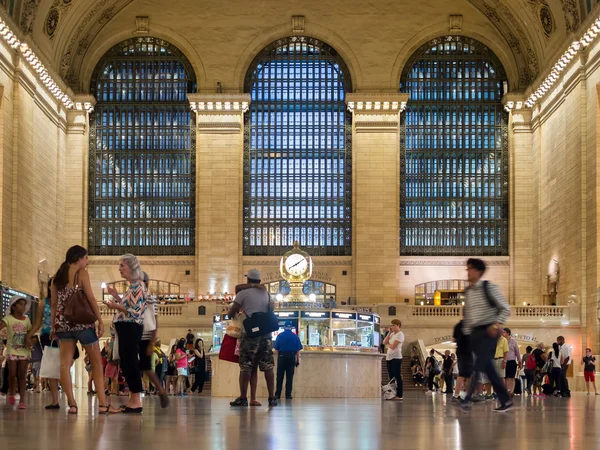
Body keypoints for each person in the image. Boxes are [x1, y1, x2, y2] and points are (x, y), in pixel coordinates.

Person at [51, 245, 115, 414]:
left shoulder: (56, 278)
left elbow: (54, 306)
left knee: (64, 364)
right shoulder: (82, 274)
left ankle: (72, 404)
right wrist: (100, 321)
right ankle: (102, 404)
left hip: (63, 325)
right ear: (78, 258)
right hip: (83, 323)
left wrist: (53, 326)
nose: (87, 262)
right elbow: (92, 299)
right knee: (96, 363)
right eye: (86, 258)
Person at [460, 258, 512, 412]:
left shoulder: (489, 287)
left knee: (479, 363)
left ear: (479, 271)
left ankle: (468, 398)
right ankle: (506, 400)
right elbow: (468, 316)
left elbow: (505, 308)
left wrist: (496, 325)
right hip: (475, 333)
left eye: (470, 268)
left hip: (489, 331)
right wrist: (467, 335)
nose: (467, 272)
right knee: (487, 366)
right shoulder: (468, 292)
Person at [105, 253, 147, 413]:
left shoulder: (138, 286)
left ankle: (136, 400)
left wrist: (116, 306)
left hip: (131, 328)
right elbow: (130, 306)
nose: (119, 269)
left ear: (131, 267)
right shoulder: (132, 286)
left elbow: (135, 311)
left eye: (122, 266)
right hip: (126, 328)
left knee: (130, 362)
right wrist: (117, 297)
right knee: (126, 362)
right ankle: (132, 399)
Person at [229, 268, 277, 407]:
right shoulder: (266, 294)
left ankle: (243, 398)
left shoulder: (243, 293)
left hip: (250, 334)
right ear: (259, 281)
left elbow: (232, 312)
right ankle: (272, 397)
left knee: (246, 366)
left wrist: (236, 312)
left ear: (248, 280)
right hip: (266, 334)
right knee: (268, 366)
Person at [27, 278, 62, 408]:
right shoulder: (43, 303)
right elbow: (37, 323)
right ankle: (54, 400)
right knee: (52, 367)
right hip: (47, 336)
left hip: (62, 336)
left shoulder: (64, 302)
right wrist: (28, 335)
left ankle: (70, 399)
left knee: (63, 365)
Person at [139, 272, 169, 407]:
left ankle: (161, 390)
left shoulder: (149, 299)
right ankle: (160, 390)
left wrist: (152, 342)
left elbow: (155, 321)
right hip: (138, 335)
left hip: (144, 336)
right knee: (144, 367)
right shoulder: (138, 297)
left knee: (145, 367)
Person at [0, 296, 32, 409]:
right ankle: (12, 391)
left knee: (22, 375)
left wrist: (30, 340)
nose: (23, 306)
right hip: (12, 350)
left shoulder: (27, 320)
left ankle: (22, 400)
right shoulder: (8, 319)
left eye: (24, 304)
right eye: (20, 304)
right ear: (13, 306)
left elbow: (30, 333)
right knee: (12, 373)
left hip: (24, 351)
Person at [274, 320, 303, 400]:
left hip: (282, 357)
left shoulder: (280, 336)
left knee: (280, 376)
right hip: (291, 357)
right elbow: (298, 350)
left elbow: (276, 349)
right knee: (289, 377)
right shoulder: (295, 336)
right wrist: (297, 360)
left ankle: (277, 394)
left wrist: (279, 357)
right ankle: (288, 395)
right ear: (291, 327)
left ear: (284, 327)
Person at [383, 319, 404, 400]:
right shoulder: (392, 334)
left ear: (398, 325)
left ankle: (400, 394)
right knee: (391, 377)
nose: (392, 327)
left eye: (394, 325)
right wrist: (389, 333)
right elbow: (384, 342)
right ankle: (392, 393)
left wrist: (389, 345)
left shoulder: (400, 334)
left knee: (397, 376)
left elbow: (393, 346)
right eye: (391, 325)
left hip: (396, 357)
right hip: (389, 357)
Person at [452, 320, 473, 401]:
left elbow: (453, 339)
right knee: (463, 374)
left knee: (467, 374)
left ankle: (467, 395)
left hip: (462, 351)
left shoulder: (458, 325)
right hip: (465, 352)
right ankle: (456, 395)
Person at [503, 328, 520, 395]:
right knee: (506, 378)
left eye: (504, 332)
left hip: (512, 361)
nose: (502, 334)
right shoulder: (502, 341)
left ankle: (511, 391)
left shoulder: (513, 342)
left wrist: (520, 361)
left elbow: (517, 352)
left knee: (511, 377)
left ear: (508, 333)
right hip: (504, 361)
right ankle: (507, 390)